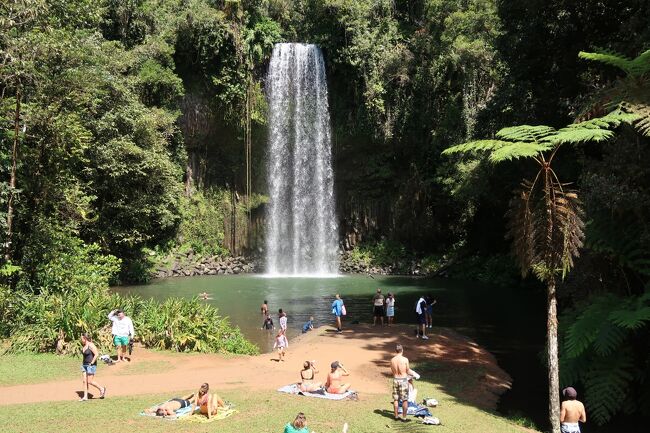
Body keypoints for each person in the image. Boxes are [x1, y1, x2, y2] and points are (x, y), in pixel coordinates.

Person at [390, 344, 420, 421]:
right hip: (403, 380)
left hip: (395, 379)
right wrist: (414, 374)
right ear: (402, 350)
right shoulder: (405, 359)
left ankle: (396, 416)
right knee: (404, 400)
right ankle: (404, 418)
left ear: (396, 351)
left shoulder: (392, 360)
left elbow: (393, 371)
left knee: (396, 399)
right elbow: (407, 370)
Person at [79, 333, 106, 401]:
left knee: (90, 381)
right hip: (84, 365)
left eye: (81, 338)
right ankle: (85, 397)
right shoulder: (84, 345)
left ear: (85, 338)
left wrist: (92, 363)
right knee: (84, 381)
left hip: (90, 365)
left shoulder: (91, 345)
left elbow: (96, 354)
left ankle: (101, 389)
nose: (81, 340)